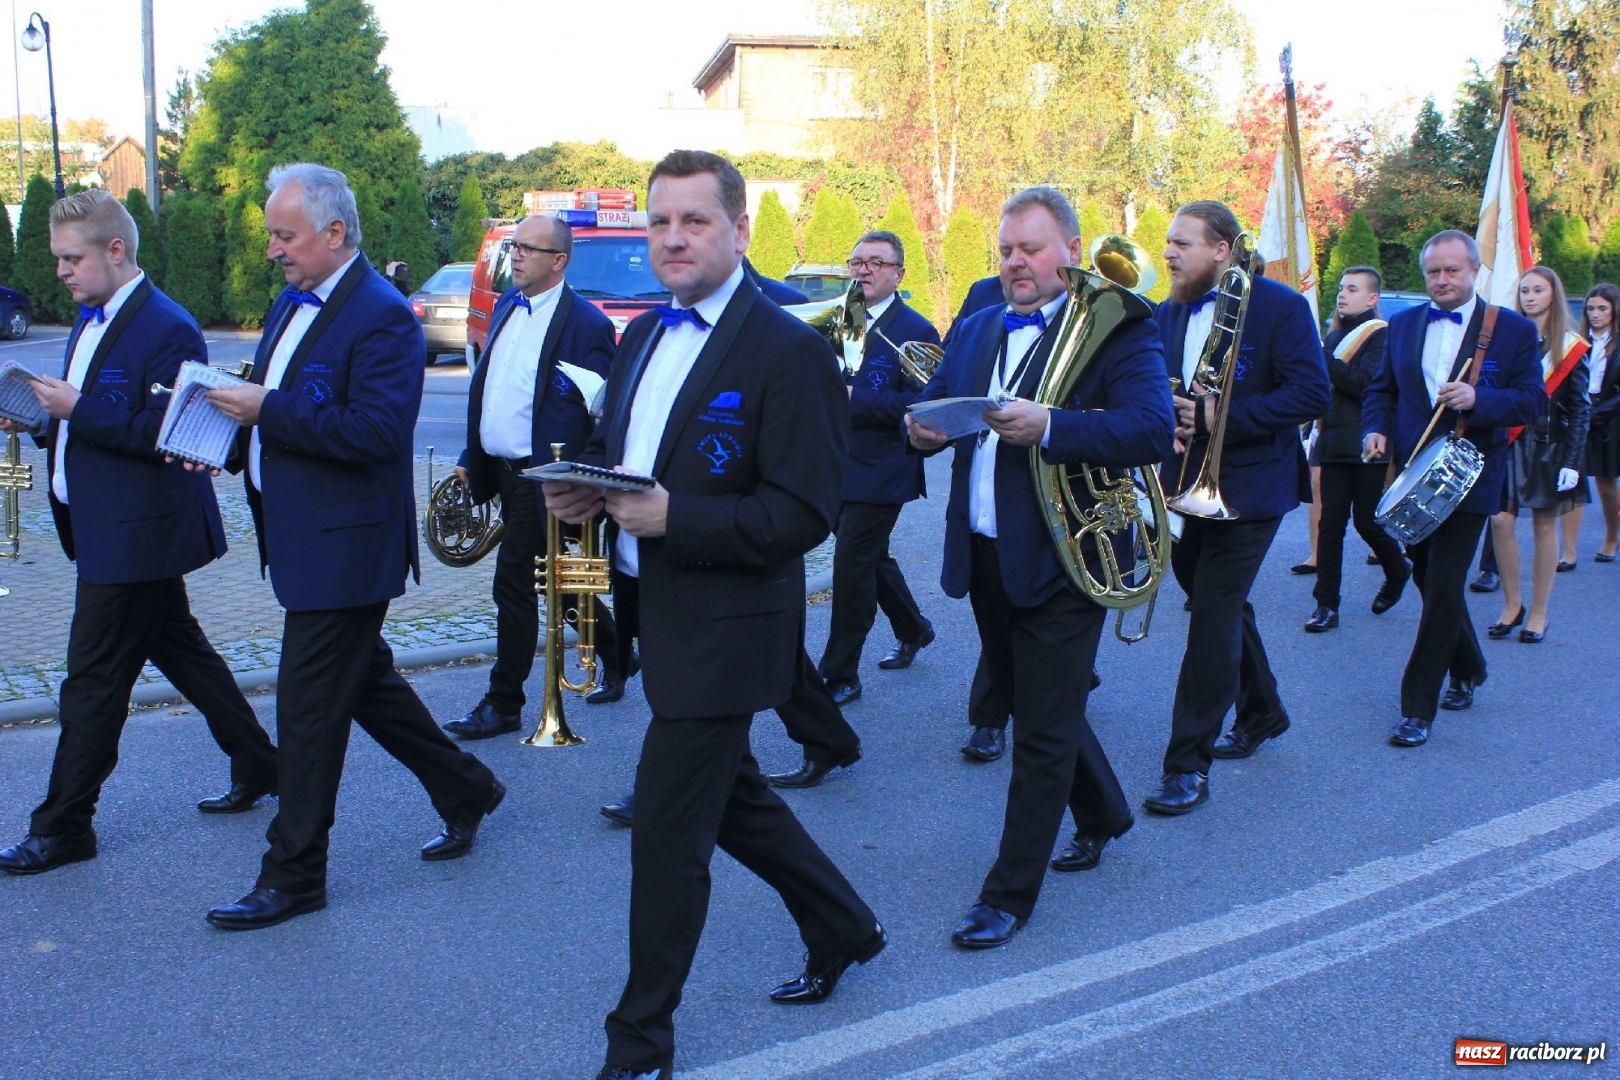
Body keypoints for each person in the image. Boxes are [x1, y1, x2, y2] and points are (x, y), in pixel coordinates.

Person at [543, 151, 884, 1080]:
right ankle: (846, 927)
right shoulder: (646, 336)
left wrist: (673, 518)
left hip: (732, 631)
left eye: (695, 221)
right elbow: (633, 459)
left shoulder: (791, 351)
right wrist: (590, 490)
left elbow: (807, 512)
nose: (674, 238)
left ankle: (640, 1040)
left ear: (738, 230)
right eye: (660, 222)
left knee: (666, 833)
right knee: (733, 801)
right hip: (661, 613)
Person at [203, 163, 503, 930]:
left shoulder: (380, 314)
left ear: (335, 233)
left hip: (347, 548)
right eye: (272, 233)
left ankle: (295, 873)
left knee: (307, 713)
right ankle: (465, 785)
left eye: (284, 235)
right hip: (303, 538)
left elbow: (375, 434)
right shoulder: (291, 302)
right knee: (364, 684)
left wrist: (266, 408)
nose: (273, 249)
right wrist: (212, 431)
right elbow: (276, 409)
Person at [907, 186, 1173, 949]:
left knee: (1044, 732)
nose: (1015, 263)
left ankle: (1008, 895)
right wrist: (918, 430)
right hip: (987, 553)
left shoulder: (1119, 328)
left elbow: (1152, 429)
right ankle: (1104, 814)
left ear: (1070, 250)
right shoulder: (984, 320)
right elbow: (935, 401)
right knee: (1034, 702)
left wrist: (1052, 424)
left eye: (1029, 248)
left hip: (1068, 556)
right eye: (1006, 251)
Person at [0, 191, 279, 876]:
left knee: (92, 684)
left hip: (139, 534)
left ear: (115, 251)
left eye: (72, 258)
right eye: (58, 259)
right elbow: (93, 418)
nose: (61, 272)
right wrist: (40, 419)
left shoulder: (167, 327)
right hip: (100, 526)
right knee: (183, 653)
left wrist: (76, 409)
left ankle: (65, 825)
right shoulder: (89, 319)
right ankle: (262, 763)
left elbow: (175, 437)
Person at [1146, 200, 1329, 814]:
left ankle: (1186, 766)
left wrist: (1225, 417)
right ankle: (1263, 709)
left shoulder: (1282, 307)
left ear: (1221, 249)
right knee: (1213, 604)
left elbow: (1311, 392)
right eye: (1168, 242)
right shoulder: (1166, 310)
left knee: (1211, 617)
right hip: (1184, 483)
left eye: (1182, 243)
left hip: (1250, 490)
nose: (1168, 253)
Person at [442, 213, 625, 739]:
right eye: (513, 247)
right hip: (501, 471)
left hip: (543, 479)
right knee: (549, 579)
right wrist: (472, 451)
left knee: (513, 584)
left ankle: (504, 703)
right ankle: (617, 652)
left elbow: (604, 407)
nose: (514, 256)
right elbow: (496, 389)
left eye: (527, 248)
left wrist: (581, 476)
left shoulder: (585, 324)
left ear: (558, 260)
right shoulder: (505, 306)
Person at [1362, 230, 1543, 746]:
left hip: (1472, 476)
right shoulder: (1402, 324)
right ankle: (1469, 665)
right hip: (1413, 477)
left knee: (1442, 587)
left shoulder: (1510, 330)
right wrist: (1373, 429)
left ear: (1475, 271)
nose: (1442, 280)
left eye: (1452, 271)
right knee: (1425, 578)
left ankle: (1417, 708)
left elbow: (1531, 401)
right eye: (1434, 272)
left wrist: (1477, 399)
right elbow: (1383, 390)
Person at [816, 230, 939, 705]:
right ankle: (914, 627)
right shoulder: (834, 320)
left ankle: (840, 672)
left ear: (898, 273)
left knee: (851, 565)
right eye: (856, 261)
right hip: (833, 462)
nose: (863, 270)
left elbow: (922, 405)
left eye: (875, 262)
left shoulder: (918, 330)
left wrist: (855, 400)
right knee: (869, 557)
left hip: (884, 465)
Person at [1484, 266, 1590, 645]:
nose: (1529, 297)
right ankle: (1512, 603)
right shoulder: (1510, 338)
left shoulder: (1571, 346)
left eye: (1538, 290)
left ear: (1553, 296)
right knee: (1499, 521)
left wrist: (1573, 462)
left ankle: (1540, 611)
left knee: (1545, 526)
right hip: (1510, 443)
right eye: (1525, 290)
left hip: (1550, 448)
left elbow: (1580, 410)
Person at [1303, 266, 1409, 631]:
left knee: (1367, 521)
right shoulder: (1333, 339)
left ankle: (1397, 571)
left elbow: (1364, 383)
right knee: (1330, 524)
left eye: (1352, 288)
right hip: (1333, 441)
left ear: (1372, 298)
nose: (1342, 295)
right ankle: (1326, 605)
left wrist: (1324, 360)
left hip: (1367, 441)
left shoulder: (1381, 336)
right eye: (1341, 289)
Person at [1562, 282, 1620, 564]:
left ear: (1614, 310)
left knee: (1606, 483)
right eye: (1590, 308)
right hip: (1578, 413)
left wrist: (1594, 413)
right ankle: (1569, 552)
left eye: (1602, 308)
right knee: (1572, 479)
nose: (1595, 314)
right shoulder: (1577, 341)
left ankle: (1611, 538)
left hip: (1609, 416)